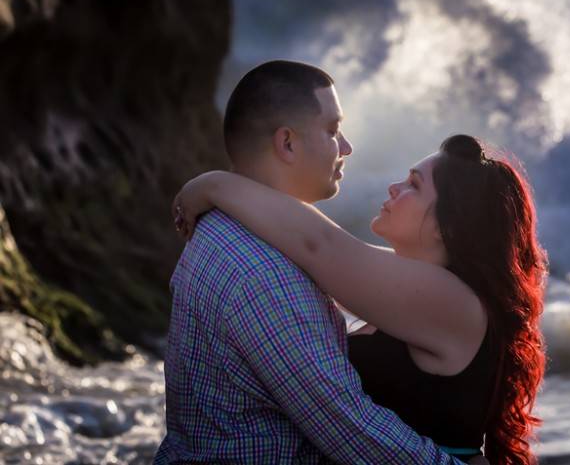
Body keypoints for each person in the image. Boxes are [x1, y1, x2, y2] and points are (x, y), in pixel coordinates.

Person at [155, 60, 471, 464]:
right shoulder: (263, 271)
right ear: (287, 144)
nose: (347, 148)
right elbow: (351, 431)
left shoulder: (230, 228)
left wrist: (213, 183)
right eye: (333, 130)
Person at [174, 128, 548, 460]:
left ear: (447, 225)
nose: (393, 188)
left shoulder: (453, 299)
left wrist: (213, 186)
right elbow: (315, 244)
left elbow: (320, 245)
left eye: (413, 185)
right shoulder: (427, 287)